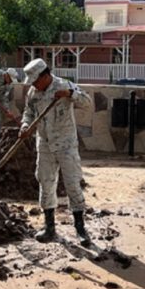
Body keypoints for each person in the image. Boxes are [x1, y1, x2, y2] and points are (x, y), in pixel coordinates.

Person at [20, 58, 92, 245]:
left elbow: (87, 102)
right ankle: (49, 227)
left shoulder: (64, 85)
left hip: (66, 144)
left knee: (72, 183)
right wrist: (25, 125)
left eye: (36, 80)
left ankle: (80, 228)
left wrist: (70, 94)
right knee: (46, 182)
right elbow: (28, 112)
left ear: (46, 75)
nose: (34, 84)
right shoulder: (33, 92)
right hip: (44, 144)